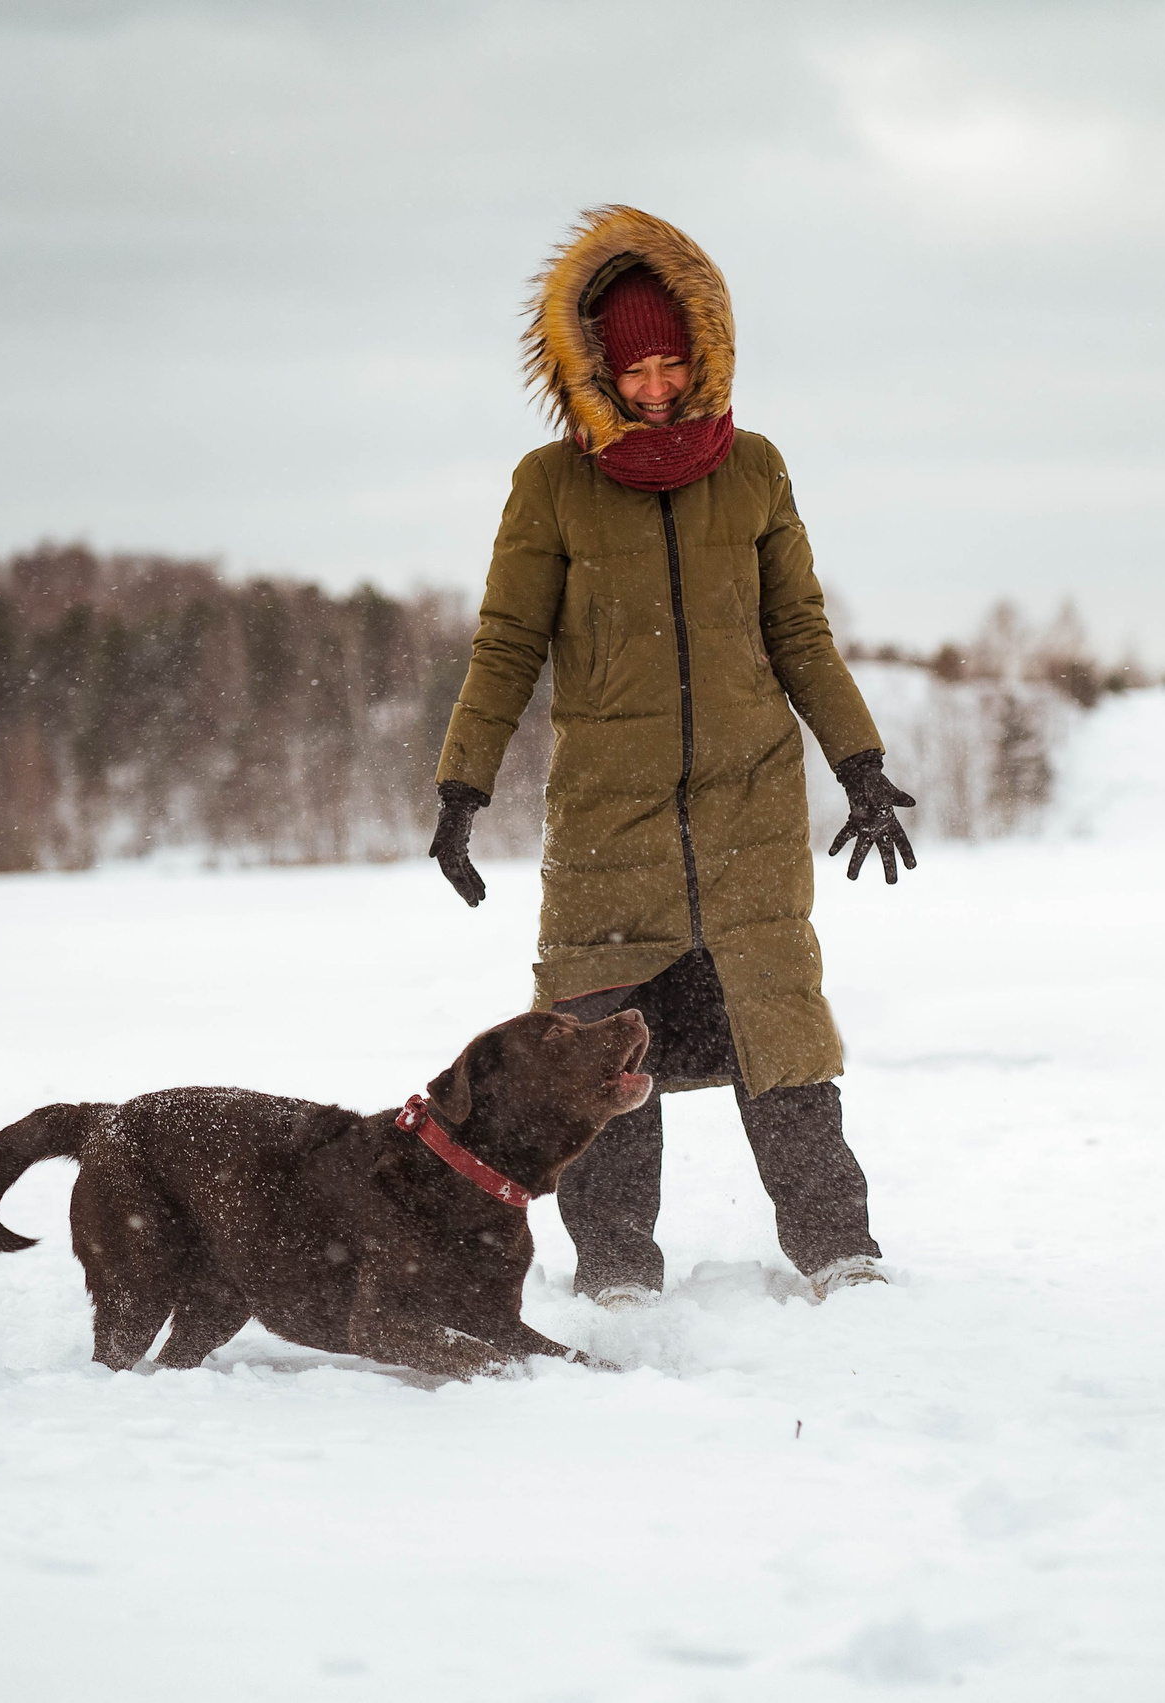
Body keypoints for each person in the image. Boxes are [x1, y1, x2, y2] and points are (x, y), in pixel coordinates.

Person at [426, 206, 917, 1308]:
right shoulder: (551, 486)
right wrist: (463, 786)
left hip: (748, 807)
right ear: (596, 371)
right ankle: (614, 1270)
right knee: (596, 1046)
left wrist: (859, 763)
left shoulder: (754, 470)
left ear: (706, 357)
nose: (654, 388)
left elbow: (799, 632)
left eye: (671, 364)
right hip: (610, 815)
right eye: (633, 369)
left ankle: (839, 1250)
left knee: (781, 1031)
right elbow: (507, 642)